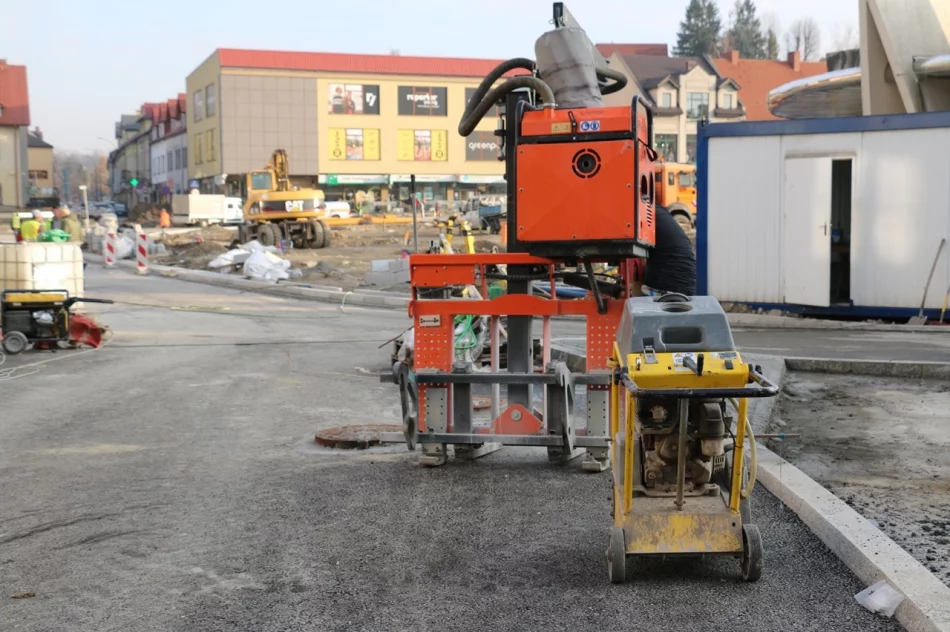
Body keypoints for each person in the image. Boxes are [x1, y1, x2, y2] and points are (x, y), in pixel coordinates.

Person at [641, 205, 696, 296]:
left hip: (667, 290)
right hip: (687, 288)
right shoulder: (654, 210)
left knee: (630, 292)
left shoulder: (642, 211)